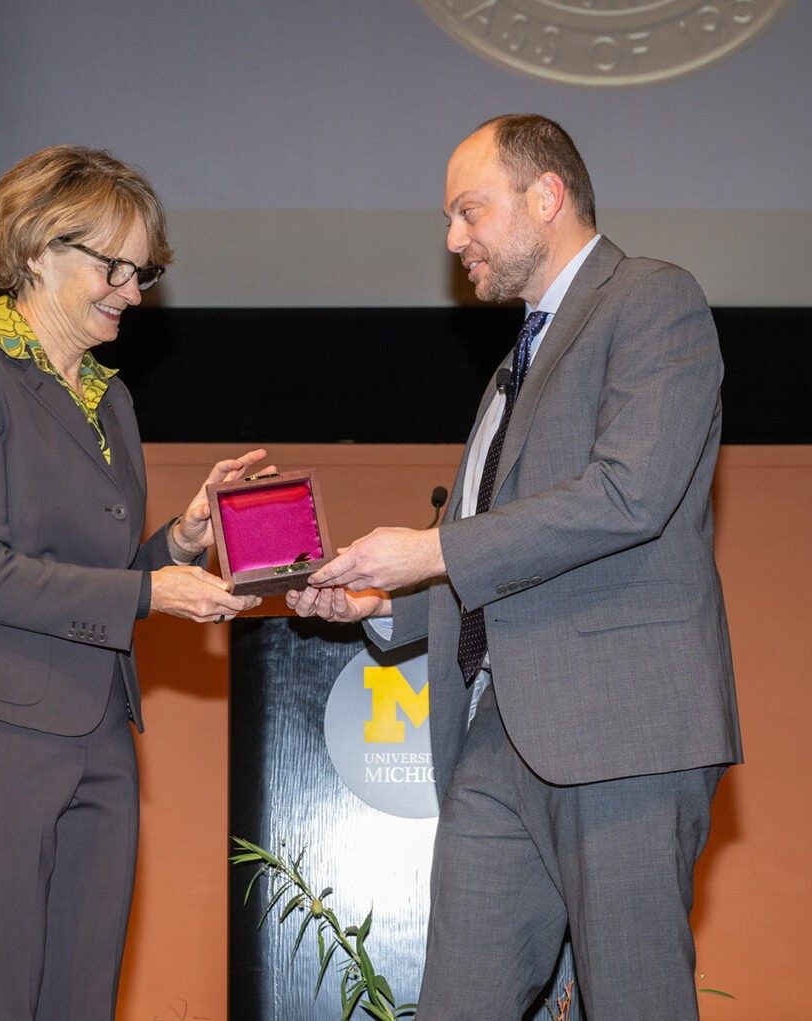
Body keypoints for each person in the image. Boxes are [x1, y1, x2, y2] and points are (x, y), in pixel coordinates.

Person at [288, 115, 741, 1019]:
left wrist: (428, 548)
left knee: (634, 1001)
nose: (454, 240)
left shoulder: (655, 299)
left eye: (469, 210)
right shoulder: (511, 368)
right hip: (495, 734)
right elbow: (490, 550)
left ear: (547, 196)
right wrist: (382, 603)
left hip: (621, 730)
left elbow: (629, 493)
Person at [0, 145, 269, 1020]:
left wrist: (177, 543)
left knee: (81, 1003)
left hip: (99, 735)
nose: (133, 292)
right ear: (35, 249)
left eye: (142, 272)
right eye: (114, 265)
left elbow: (100, 576)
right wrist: (149, 595)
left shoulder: (110, 399)